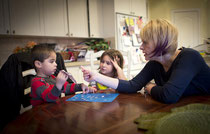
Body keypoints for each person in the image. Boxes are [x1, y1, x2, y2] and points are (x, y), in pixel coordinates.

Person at [82, 19, 210, 104]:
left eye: (145, 42)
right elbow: (132, 86)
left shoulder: (189, 57)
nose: (141, 47)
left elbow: (169, 95)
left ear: (160, 43)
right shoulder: (154, 64)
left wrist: (150, 87)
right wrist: (96, 76)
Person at [30, 44, 96, 106]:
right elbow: (49, 98)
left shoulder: (52, 77)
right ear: (38, 64)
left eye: (55, 61)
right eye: (51, 61)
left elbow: (67, 87)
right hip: (40, 114)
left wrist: (81, 86)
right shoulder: (36, 82)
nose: (56, 64)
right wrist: (58, 85)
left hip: (52, 111)